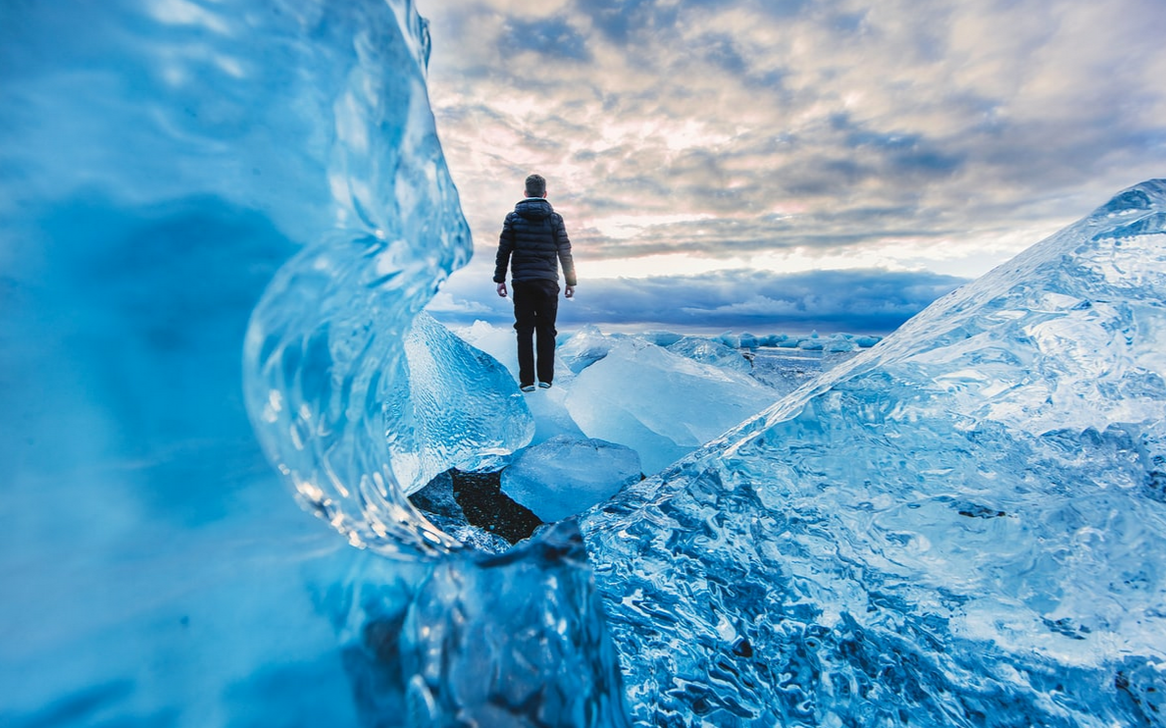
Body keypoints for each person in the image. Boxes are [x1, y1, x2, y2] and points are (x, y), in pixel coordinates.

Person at [494, 173, 577, 392]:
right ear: (545, 193)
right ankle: (546, 379)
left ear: (525, 193)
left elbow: (504, 251)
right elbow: (565, 251)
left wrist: (500, 279)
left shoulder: (513, 218)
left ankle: (527, 381)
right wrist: (571, 281)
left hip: (522, 281)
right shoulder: (555, 219)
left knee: (524, 330)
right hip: (548, 282)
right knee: (546, 329)